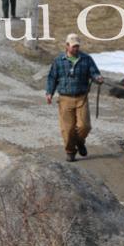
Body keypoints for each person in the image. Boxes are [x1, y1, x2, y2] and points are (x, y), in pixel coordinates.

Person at [46, 33, 104, 162]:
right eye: (73, 46)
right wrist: (49, 92)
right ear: (67, 46)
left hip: (81, 97)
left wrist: (98, 78)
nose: (76, 49)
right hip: (65, 98)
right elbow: (52, 77)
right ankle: (70, 151)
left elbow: (94, 72)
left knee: (85, 126)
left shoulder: (86, 59)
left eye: (77, 46)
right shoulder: (58, 61)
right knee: (68, 129)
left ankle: (79, 141)